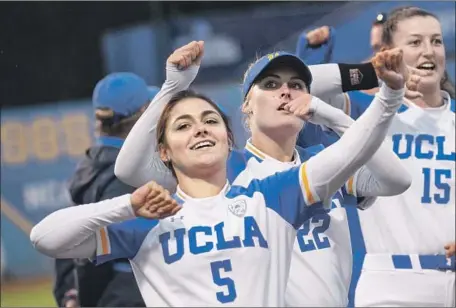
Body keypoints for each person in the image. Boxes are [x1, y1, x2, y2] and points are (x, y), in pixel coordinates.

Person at [31, 40, 407, 307]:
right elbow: (49, 234)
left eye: (295, 86)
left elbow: (390, 173)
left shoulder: (281, 188)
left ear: (226, 137)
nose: (286, 93)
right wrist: (128, 204)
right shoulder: (236, 176)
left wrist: (370, 88)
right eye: (271, 85)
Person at [300, 6, 455, 307]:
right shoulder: (369, 112)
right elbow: (301, 84)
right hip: (392, 287)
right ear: (388, 52)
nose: (429, 51)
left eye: (436, 41)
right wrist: (371, 73)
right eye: (414, 42)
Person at [53, 72, 158, 308]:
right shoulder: (128, 176)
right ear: (142, 115)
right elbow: (98, 254)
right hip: (129, 294)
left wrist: (70, 292)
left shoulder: (91, 165)